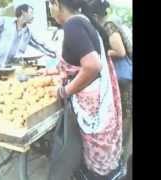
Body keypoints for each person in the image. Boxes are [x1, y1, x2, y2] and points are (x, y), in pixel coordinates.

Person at [41, 0, 124, 179]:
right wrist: (51, 71)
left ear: (56, 3)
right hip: (98, 101)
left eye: (49, 5)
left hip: (90, 105)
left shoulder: (73, 25)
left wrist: (65, 91)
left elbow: (92, 65)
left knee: (91, 160)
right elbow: (78, 62)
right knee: (92, 155)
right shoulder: (83, 21)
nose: (50, 10)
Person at [88, 1, 133, 177]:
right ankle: (120, 157)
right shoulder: (114, 20)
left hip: (124, 78)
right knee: (125, 117)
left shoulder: (108, 24)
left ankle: (119, 159)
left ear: (94, 16)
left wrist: (103, 52)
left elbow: (120, 51)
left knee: (124, 118)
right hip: (125, 78)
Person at [0, 4, 56, 68]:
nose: (33, 16)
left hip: (10, 70)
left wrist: (55, 54)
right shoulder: (4, 22)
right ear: (23, 13)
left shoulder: (28, 33)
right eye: (31, 13)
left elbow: (40, 45)